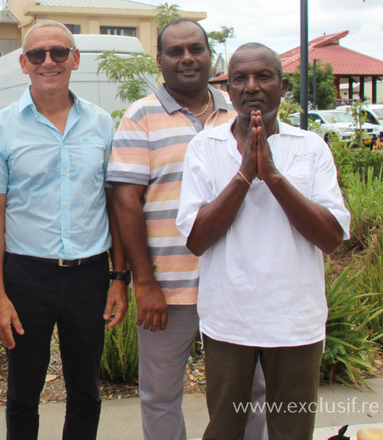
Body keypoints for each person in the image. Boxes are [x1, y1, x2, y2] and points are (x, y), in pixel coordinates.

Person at [176, 43, 350, 440]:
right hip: (229, 320)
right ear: (229, 88)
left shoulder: (310, 147)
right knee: (224, 428)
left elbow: (331, 237)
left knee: (292, 430)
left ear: (283, 85)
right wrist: (243, 176)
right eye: (240, 78)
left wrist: (272, 176)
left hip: (295, 323)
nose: (252, 86)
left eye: (263, 76)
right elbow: (196, 239)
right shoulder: (206, 147)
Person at [108, 19, 267, 440]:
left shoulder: (239, 113)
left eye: (195, 48)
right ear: (159, 61)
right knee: (160, 396)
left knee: (249, 394)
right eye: (175, 51)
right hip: (168, 288)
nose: (187, 58)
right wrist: (144, 283)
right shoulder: (141, 116)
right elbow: (126, 202)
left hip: (235, 285)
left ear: (210, 55)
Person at [0, 20, 128, 439]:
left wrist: (119, 278)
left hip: (90, 274)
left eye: (59, 52)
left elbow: (114, 203)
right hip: (27, 276)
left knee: (86, 391)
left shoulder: (101, 124)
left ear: (74, 59)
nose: (49, 61)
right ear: (23, 64)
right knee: (23, 391)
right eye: (38, 55)